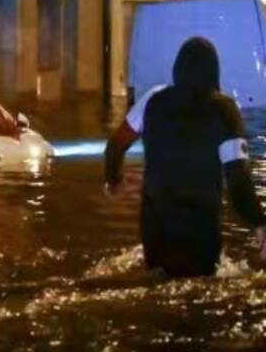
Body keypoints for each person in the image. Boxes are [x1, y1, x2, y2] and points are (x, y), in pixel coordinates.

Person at [104, 37, 266, 277]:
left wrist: (114, 182)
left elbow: (116, 145)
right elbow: (237, 180)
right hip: (200, 231)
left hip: (155, 232)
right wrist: (259, 222)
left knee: (157, 281)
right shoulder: (224, 109)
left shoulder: (153, 100)